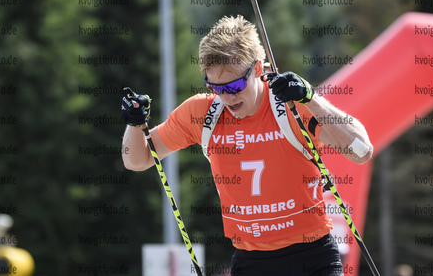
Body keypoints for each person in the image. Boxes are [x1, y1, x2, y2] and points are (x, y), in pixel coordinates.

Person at [121, 15, 373, 275]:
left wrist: (311, 98)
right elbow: (136, 160)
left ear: (257, 69)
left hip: (311, 256)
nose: (227, 97)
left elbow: (361, 151)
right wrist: (133, 123)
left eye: (235, 85)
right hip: (251, 261)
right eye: (215, 87)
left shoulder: (289, 105)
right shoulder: (202, 113)